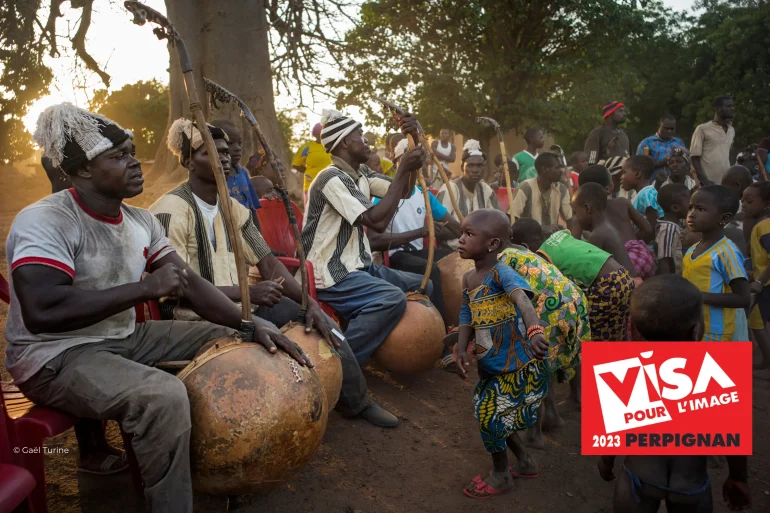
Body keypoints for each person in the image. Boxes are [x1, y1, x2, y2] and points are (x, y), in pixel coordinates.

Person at [10, 104, 309, 513]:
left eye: (132, 152)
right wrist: (144, 288)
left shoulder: (139, 221)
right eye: (117, 157)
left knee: (234, 337)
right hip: (54, 355)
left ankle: (223, 463)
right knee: (162, 396)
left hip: (123, 337)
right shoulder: (46, 220)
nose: (135, 164)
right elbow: (42, 312)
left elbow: (192, 285)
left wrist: (249, 321)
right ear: (81, 172)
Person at [150, 118, 398, 427]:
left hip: (245, 304)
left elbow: (268, 264)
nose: (223, 158)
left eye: (226, 151)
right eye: (209, 152)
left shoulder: (235, 210)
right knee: (280, 341)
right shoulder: (170, 210)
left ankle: (356, 401)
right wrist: (248, 294)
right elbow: (179, 288)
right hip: (198, 316)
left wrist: (310, 303)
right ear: (187, 161)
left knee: (325, 327)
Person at [598, 275, 751, 513]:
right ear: (696, 331)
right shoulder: (715, 374)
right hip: (691, 485)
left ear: (636, 330)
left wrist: (606, 462)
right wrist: (738, 478)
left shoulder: (626, 372)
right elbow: (735, 445)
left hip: (638, 480)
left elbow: (611, 434)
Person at [302, 109, 435, 365]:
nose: (366, 140)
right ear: (344, 142)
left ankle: (374, 349)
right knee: (391, 298)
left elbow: (404, 190)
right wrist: (405, 164)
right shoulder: (330, 178)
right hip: (331, 275)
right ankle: (342, 366)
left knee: (424, 285)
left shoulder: (362, 174)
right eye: (359, 134)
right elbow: (376, 220)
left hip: (359, 268)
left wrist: (413, 145)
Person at [41, 154, 129, 475]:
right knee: (86, 351)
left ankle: (97, 444)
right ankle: (91, 450)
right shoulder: (60, 217)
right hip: (66, 340)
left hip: (91, 325)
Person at [454, 210, 549, 498]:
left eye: (469, 235)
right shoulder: (469, 278)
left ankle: (501, 474)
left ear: (493, 244)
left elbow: (523, 300)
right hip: (491, 365)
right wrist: (460, 346)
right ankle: (525, 462)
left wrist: (534, 331)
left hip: (515, 365)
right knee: (497, 416)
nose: (460, 239)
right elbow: (467, 312)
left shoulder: (502, 273)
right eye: (462, 232)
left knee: (490, 417)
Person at [496, 219, 589, 446]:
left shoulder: (502, 260)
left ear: (492, 241)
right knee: (545, 362)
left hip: (553, 309)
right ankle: (552, 416)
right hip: (574, 302)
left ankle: (535, 433)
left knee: (533, 364)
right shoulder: (526, 252)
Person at [368, 138, 462, 323]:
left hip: (419, 253)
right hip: (396, 255)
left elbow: (454, 226)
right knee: (433, 270)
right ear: (397, 164)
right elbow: (374, 241)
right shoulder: (384, 195)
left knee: (455, 260)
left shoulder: (423, 193)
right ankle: (442, 328)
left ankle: (461, 320)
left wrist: (472, 234)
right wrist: (421, 232)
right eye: (407, 160)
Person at [511, 219, 635, 341]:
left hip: (608, 285)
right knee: (615, 331)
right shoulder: (560, 235)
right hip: (623, 276)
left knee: (591, 332)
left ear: (524, 247)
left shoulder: (543, 257)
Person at [683, 185, 750, 341]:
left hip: (716, 333)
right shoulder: (692, 249)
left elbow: (743, 298)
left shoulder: (726, 252)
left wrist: (697, 296)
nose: (691, 214)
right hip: (695, 327)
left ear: (724, 218)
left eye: (700, 209)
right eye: (690, 208)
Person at [575, 165, 654, 280]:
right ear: (609, 187)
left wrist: (620, 247)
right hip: (643, 257)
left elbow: (576, 247)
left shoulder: (587, 214)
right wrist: (631, 242)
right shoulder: (622, 202)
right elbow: (647, 229)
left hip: (620, 266)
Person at [436, 140, 502, 249]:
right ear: (462, 167)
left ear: (484, 168)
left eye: (479, 166)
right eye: (470, 166)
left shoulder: (486, 190)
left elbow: (499, 221)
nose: (475, 170)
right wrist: (474, 232)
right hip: (453, 251)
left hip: (482, 251)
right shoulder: (450, 189)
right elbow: (438, 230)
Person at [571, 183, 638, 280]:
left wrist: (575, 235)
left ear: (587, 208)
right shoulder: (606, 226)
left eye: (575, 212)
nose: (574, 217)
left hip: (626, 289)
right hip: (630, 282)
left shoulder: (597, 235)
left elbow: (583, 271)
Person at [740, 181, 770, 368]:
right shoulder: (759, 224)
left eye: (749, 201)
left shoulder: (765, 226)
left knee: (756, 323)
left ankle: (767, 359)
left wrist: (759, 280)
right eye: (742, 199)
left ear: (766, 204)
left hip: (766, 286)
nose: (743, 204)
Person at [210, 120, 262, 216]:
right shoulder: (211, 176)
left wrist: (257, 231)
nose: (238, 148)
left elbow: (253, 209)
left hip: (247, 227)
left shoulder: (243, 173)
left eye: (239, 143)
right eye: (230, 143)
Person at [511, 152, 573, 228]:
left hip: (553, 237)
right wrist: (540, 229)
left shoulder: (562, 189)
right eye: (557, 168)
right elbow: (512, 218)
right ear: (545, 169)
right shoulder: (525, 188)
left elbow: (570, 218)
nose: (562, 171)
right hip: (530, 237)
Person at [691, 96, 736, 185]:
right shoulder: (702, 129)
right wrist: (704, 180)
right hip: (708, 183)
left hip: (725, 182)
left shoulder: (731, 130)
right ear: (717, 109)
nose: (732, 109)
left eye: (732, 106)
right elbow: (694, 157)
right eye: (728, 106)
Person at [655, 183, 691, 275]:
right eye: (689, 203)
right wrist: (667, 284)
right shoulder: (669, 229)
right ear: (675, 208)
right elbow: (664, 260)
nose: (692, 207)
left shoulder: (673, 224)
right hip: (671, 280)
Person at [292, 122, 332, 203]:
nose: (322, 134)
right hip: (311, 184)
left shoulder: (331, 146)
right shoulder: (307, 147)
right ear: (315, 134)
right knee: (311, 210)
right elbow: (296, 164)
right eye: (319, 132)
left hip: (330, 184)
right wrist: (308, 171)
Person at [621, 155, 664, 233]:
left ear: (637, 174)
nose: (621, 177)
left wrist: (633, 242)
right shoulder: (639, 194)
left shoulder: (647, 194)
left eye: (624, 172)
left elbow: (652, 228)